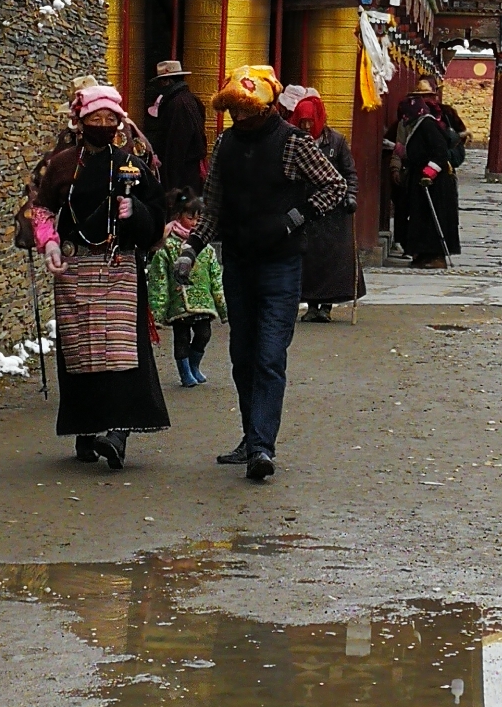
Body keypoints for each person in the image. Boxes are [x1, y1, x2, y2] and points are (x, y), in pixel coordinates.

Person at [175, 64, 347, 482]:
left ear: (265, 106)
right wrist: (191, 248)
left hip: (281, 265)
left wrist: (296, 216)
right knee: (242, 356)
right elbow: (213, 206)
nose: (239, 117)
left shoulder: (292, 142)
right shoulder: (225, 145)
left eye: (246, 109)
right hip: (238, 262)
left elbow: (335, 186)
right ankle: (252, 437)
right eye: (233, 109)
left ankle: (262, 447)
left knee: (270, 356)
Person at [29, 83, 170, 469]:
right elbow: (41, 209)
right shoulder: (60, 165)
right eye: (96, 118)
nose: (103, 124)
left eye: (110, 119)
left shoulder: (132, 165)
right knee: (82, 351)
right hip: (74, 268)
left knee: (121, 350)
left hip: (119, 265)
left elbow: (158, 217)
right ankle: (86, 429)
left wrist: (135, 211)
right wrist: (50, 244)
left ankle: (118, 432)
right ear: (81, 121)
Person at [289, 90, 366, 320]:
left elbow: (349, 173)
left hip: (333, 210)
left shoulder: (336, 142)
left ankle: (326, 307)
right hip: (307, 208)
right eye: (301, 122)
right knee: (309, 259)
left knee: (331, 259)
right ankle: (312, 306)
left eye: (309, 122)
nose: (305, 126)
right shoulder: (294, 142)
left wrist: (350, 196)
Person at [147, 189, 226, 385]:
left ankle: (193, 365)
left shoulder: (205, 248)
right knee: (181, 338)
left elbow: (216, 277)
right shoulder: (167, 246)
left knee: (204, 334)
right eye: (190, 218)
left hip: (203, 302)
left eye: (199, 219)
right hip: (178, 301)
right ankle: (184, 372)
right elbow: (159, 279)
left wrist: (222, 306)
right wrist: (157, 311)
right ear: (178, 216)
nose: (195, 223)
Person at [398, 80, 465, 267]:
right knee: (421, 217)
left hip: (435, 181)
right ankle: (422, 253)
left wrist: (429, 173)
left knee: (435, 218)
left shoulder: (428, 124)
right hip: (420, 178)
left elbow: (440, 152)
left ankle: (437, 256)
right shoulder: (418, 123)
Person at [146, 59, 208, 206]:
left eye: (161, 82)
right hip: (188, 171)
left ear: (167, 81)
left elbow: (176, 146)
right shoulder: (187, 99)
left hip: (183, 174)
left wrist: (171, 182)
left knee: (182, 210)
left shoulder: (178, 105)